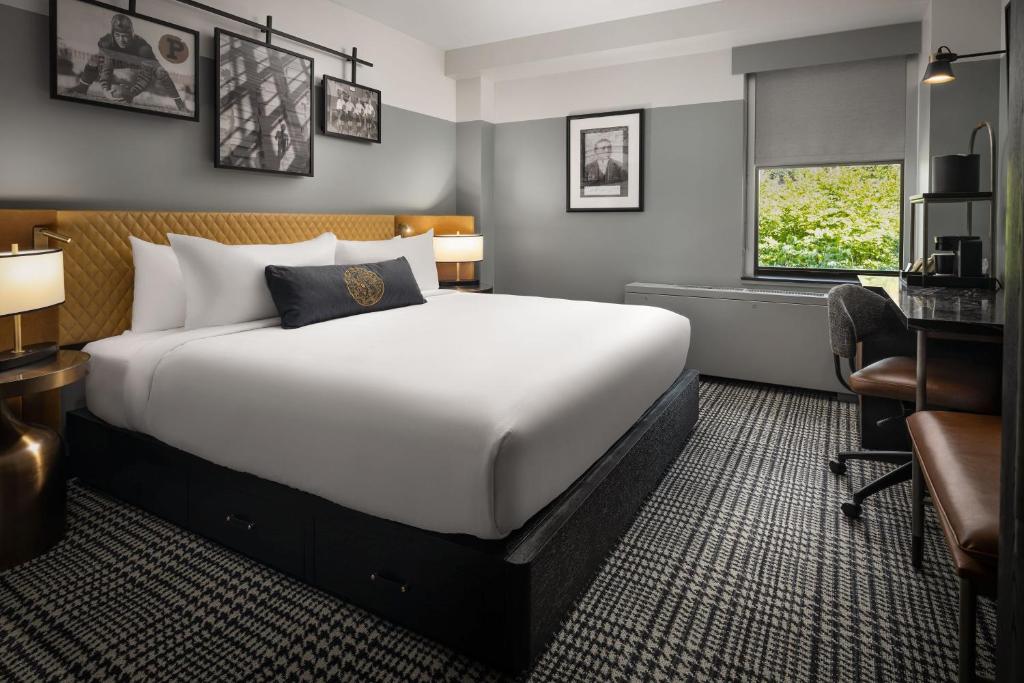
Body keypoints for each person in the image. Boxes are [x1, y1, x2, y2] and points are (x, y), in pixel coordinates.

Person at [66, 14, 187, 113]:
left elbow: (145, 77)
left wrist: (131, 93)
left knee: (161, 72)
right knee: (95, 59)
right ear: (113, 34)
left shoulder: (143, 48)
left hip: (138, 62)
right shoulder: (106, 42)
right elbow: (105, 69)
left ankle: (179, 103)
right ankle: (82, 87)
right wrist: (106, 91)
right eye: (117, 35)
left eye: (125, 36)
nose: (121, 40)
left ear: (132, 34)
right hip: (116, 60)